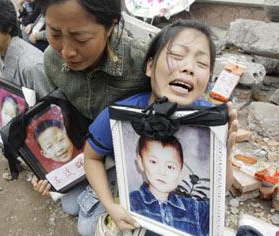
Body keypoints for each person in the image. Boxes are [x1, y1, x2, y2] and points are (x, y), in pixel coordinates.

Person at [84, 19, 238, 233]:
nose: (188, 68)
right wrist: (111, 205)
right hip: (135, 209)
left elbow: (222, 188)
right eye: (176, 56)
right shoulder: (118, 116)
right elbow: (91, 157)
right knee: (86, 226)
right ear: (149, 66)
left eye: (202, 64)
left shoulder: (211, 122)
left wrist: (225, 153)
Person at [32, 0, 151, 235]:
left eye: (81, 39)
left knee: (87, 228)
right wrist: (48, 167)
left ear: (110, 26)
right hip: (89, 150)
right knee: (68, 203)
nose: (66, 51)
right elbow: (61, 119)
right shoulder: (51, 61)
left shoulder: (141, 62)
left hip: (129, 155)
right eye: (54, 33)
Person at [130, 135, 209, 236]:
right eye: (153, 162)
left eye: (170, 167)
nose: (162, 172)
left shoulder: (195, 210)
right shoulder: (132, 203)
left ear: (180, 173)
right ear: (141, 163)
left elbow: (219, 197)